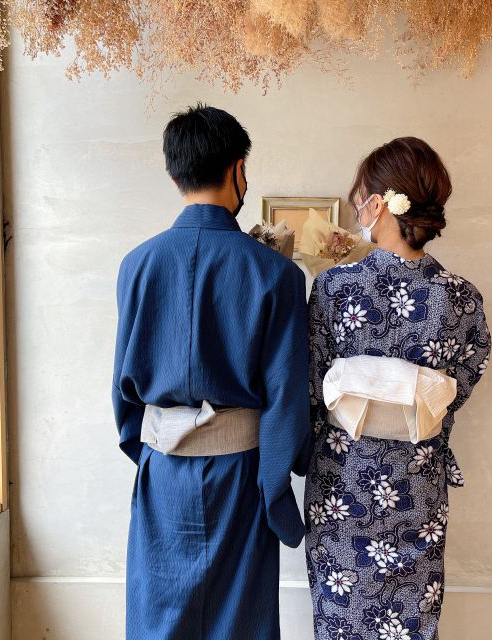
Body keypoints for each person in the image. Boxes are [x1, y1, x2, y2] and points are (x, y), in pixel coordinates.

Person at [112, 103, 311, 640]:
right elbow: (287, 398)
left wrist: (150, 450)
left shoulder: (137, 265)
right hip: (240, 474)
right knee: (239, 619)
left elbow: (123, 394)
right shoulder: (276, 274)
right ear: (237, 170)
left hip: (162, 469)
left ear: (174, 174)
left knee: (160, 612)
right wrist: (276, 483)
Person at [304, 137, 491, 640]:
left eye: (359, 197)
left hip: (343, 482)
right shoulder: (461, 298)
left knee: (340, 616)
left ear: (380, 204)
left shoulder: (335, 288)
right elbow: (461, 383)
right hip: (417, 482)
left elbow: (312, 386)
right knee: (413, 622)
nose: (356, 207)